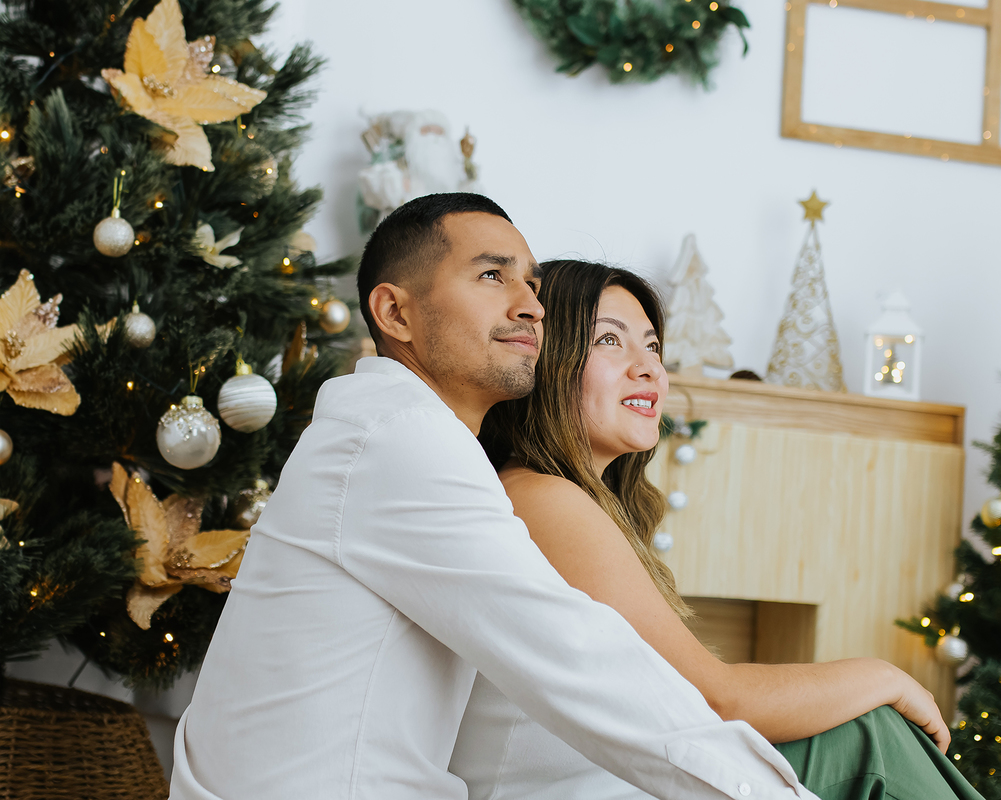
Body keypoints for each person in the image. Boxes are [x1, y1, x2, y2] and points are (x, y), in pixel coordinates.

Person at [170, 194, 812, 800]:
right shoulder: (402, 438)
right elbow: (578, 661)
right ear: (396, 314)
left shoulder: (398, 433)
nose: (532, 306)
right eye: (491, 276)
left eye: (531, 283)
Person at [453, 259, 984, 800]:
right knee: (874, 738)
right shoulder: (543, 498)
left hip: (622, 773)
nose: (649, 368)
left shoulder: (559, 497)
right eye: (609, 340)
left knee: (870, 734)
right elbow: (713, 698)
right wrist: (885, 678)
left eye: (653, 346)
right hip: (585, 787)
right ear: (547, 361)